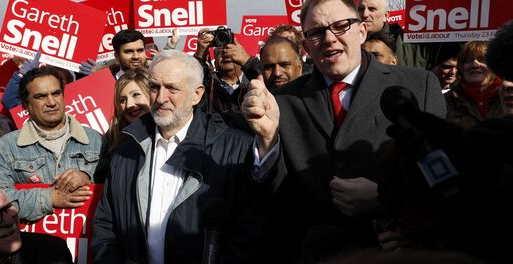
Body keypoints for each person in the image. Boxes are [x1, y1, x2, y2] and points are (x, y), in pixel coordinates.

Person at [241, 0, 446, 262]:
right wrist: (267, 141)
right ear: (305, 46)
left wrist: (388, 200)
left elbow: (445, 177)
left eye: (340, 26)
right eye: (316, 32)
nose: (329, 39)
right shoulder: (281, 101)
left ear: (361, 32)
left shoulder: (419, 85)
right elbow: (272, 197)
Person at [91, 50, 255, 264]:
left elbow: (249, 232)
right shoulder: (125, 154)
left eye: (172, 88)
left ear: (197, 94)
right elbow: (106, 227)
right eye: (154, 87)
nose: (160, 98)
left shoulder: (236, 149)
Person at [0, 66, 104, 221]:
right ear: (25, 105)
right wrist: (48, 198)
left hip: (85, 241)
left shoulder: (95, 139)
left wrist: (87, 176)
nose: (51, 102)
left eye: (56, 93)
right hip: (33, 240)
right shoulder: (6, 147)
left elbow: (117, 188)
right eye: (41, 96)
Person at [194, 28, 262, 132]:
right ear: (214, 61)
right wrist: (200, 56)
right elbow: (190, 85)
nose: (226, 56)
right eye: (220, 53)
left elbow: (270, 85)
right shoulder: (207, 86)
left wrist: (248, 61)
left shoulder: (253, 82)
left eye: (230, 51)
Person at [94, 67, 151, 183]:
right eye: (122, 100)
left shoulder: (169, 134)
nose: (129, 105)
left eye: (136, 95)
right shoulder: (112, 140)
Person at [445, 41, 503, 128]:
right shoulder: (447, 100)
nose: (474, 64)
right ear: (461, 67)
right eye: (468, 60)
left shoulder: (508, 95)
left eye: (482, 59)